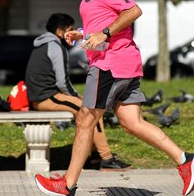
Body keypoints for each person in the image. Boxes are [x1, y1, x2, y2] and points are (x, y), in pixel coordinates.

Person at [34, 0, 194, 196]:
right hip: (121, 63)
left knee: (85, 119)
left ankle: (67, 185)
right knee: (132, 123)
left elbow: (133, 10)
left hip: (109, 65)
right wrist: (84, 34)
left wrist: (105, 33)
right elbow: (105, 24)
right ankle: (185, 160)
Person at [25, 12, 131, 170]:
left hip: (43, 97)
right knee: (91, 110)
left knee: (91, 107)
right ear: (60, 32)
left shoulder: (42, 44)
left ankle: (96, 156)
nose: (73, 32)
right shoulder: (56, 47)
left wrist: (77, 96)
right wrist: (76, 95)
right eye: (70, 29)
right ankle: (106, 158)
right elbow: (62, 82)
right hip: (46, 98)